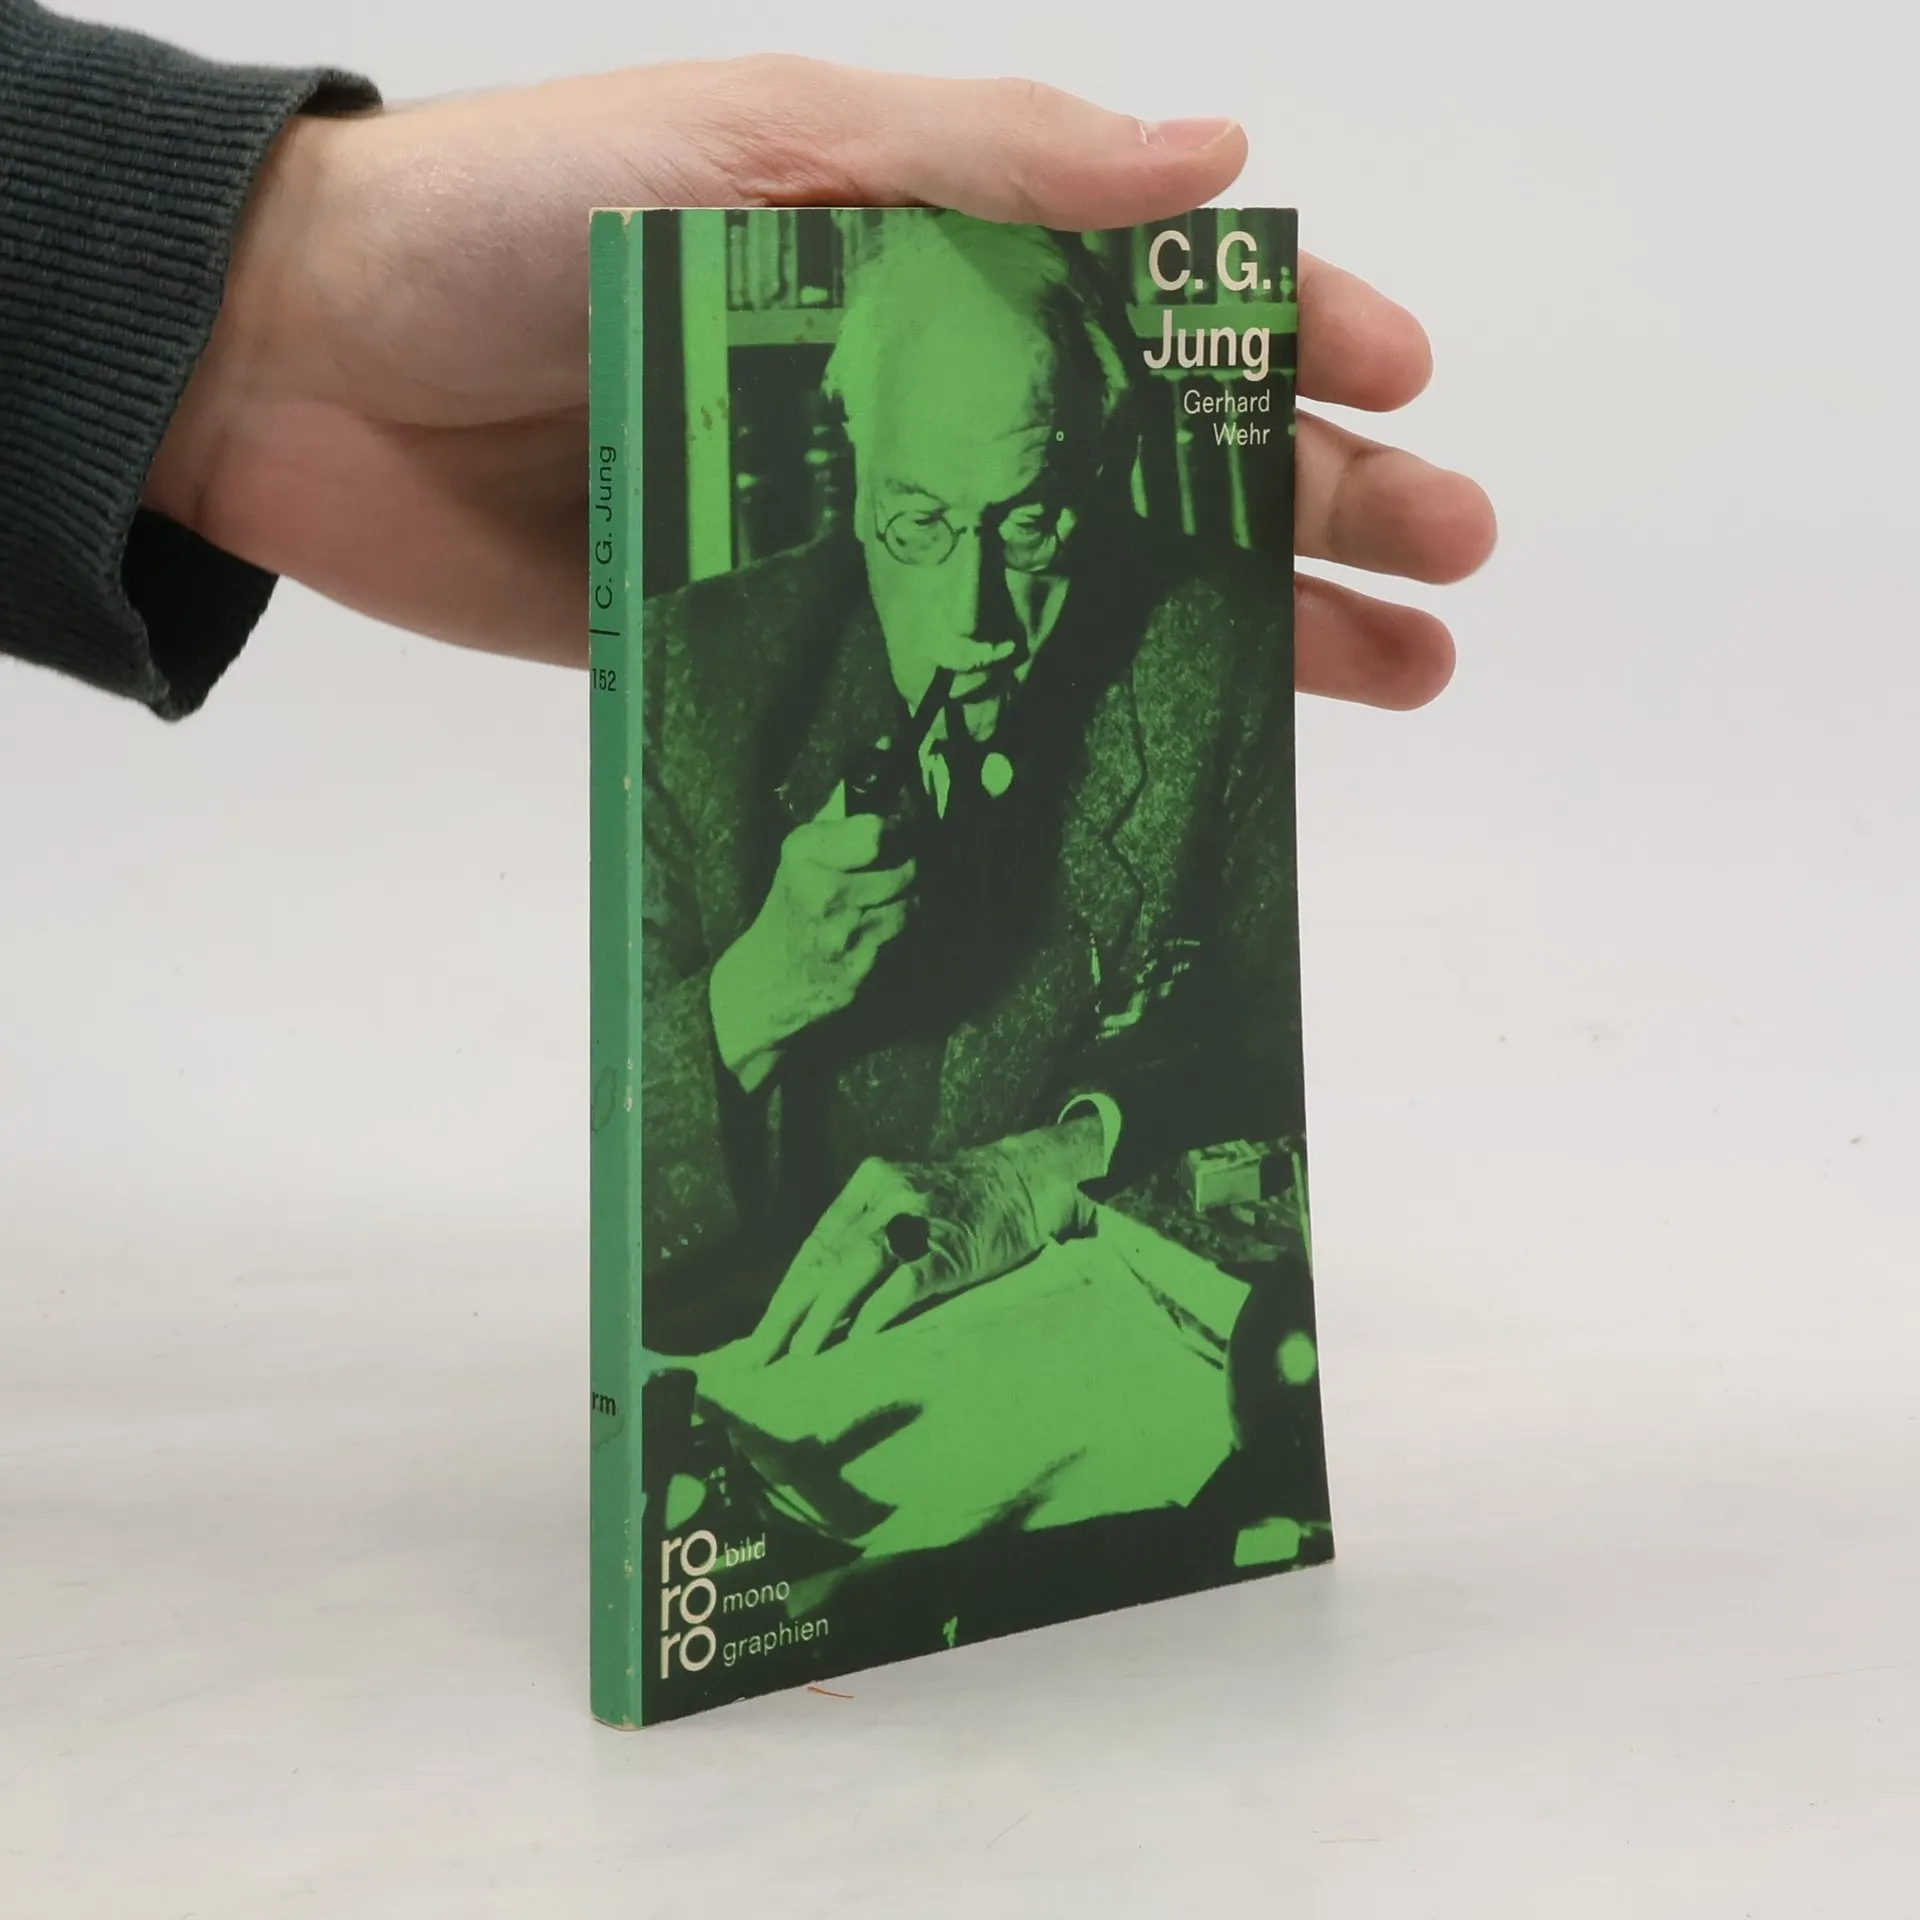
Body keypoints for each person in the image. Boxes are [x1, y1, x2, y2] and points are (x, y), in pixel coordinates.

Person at [0, 4, 1492, 728]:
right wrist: (749, 1009)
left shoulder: (1180, 694)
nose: (982, 614)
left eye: (1034, 522)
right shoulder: (722, 694)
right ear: (845, 486)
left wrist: (277, 299)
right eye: (921, 521)